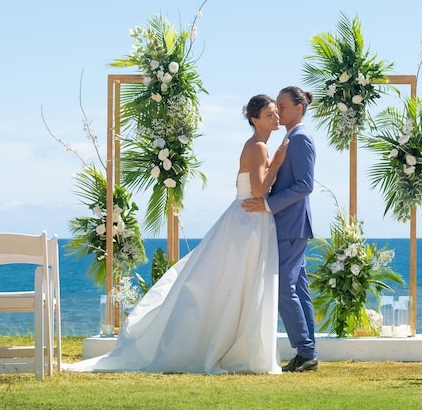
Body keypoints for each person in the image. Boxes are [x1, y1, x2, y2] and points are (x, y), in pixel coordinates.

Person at [66, 94, 288, 374]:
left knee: (236, 283)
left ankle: (235, 342)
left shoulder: (256, 146)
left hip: (249, 219)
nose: (276, 118)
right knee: (237, 283)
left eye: (276, 113)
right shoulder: (259, 147)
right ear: (254, 120)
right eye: (269, 115)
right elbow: (257, 190)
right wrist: (277, 162)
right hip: (248, 222)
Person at [242, 86, 318, 373]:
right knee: (298, 287)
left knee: (285, 288)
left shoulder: (299, 139)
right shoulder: (290, 138)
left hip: (291, 224)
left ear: (298, 108)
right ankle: (308, 352)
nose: (278, 112)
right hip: (288, 225)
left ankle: (305, 350)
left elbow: (305, 185)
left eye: (282, 107)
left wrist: (267, 204)